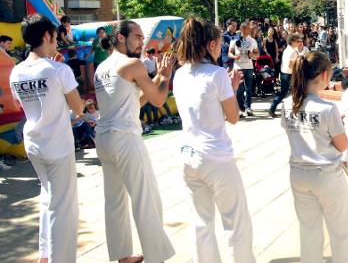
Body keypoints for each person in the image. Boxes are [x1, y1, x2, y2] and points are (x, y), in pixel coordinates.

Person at [173, 17, 256, 263]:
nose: (221, 48)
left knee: (202, 224)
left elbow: (201, 110)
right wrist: (230, 88)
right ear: (210, 45)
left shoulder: (179, 74)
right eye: (219, 44)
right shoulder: (217, 74)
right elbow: (232, 117)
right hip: (216, 157)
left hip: (189, 155)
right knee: (236, 222)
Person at [94, 20, 176, 263]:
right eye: (138, 37)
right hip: (125, 139)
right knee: (145, 197)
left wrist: (158, 76)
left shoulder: (102, 67)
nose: (142, 42)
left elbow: (132, 101)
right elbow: (159, 99)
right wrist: (164, 75)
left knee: (115, 200)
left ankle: (123, 255)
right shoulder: (133, 64)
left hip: (105, 138)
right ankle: (155, 256)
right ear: (121, 37)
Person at [9, 14, 84, 263]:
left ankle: (45, 253)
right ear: (46, 36)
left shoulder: (17, 71)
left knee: (48, 196)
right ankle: (59, 258)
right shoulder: (58, 70)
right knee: (63, 206)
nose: (57, 41)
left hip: (33, 142)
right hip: (58, 144)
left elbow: (19, 104)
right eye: (55, 37)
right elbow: (79, 107)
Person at [281, 51, 348, 263]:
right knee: (341, 232)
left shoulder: (286, 104)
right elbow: (343, 145)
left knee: (308, 231)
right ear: (324, 75)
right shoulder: (327, 108)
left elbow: (291, 133)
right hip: (326, 175)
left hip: (298, 173)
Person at [229, 22, 259, 117]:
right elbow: (229, 53)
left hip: (249, 67)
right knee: (240, 89)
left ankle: (248, 107)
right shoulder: (234, 40)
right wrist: (234, 56)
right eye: (248, 29)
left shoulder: (252, 41)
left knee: (249, 88)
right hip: (238, 67)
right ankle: (240, 109)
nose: (250, 30)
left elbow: (257, 54)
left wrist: (252, 55)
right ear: (242, 29)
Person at [268, 33, 302, 118]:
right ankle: (272, 108)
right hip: (289, 75)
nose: (299, 43)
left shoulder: (288, 49)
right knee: (287, 93)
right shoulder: (293, 52)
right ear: (293, 41)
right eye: (298, 41)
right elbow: (291, 66)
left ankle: (273, 108)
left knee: (286, 92)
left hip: (284, 73)